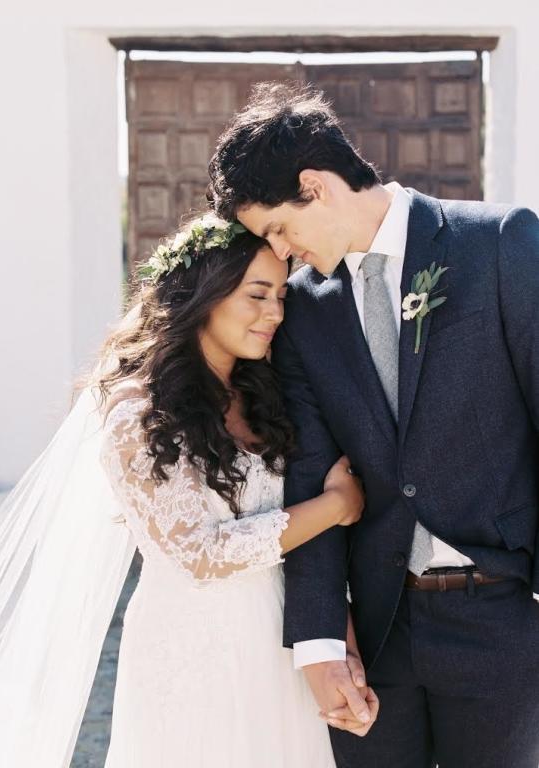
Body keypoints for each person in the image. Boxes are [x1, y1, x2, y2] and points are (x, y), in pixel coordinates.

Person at [208, 81, 539, 768]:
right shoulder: (304, 307)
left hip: (504, 620)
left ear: (314, 186)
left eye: (278, 228)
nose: (282, 251)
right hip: (379, 633)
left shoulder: (499, 243)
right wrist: (321, 641)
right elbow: (310, 469)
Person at [0, 213, 365, 767]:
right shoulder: (137, 411)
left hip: (278, 641)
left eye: (280, 296)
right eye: (257, 295)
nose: (276, 312)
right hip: (192, 651)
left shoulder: (268, 394)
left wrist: (336, 641)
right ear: (204, 295)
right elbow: (198, 554)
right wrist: (337, 505)